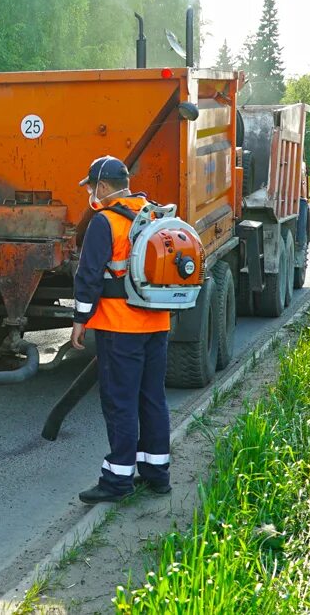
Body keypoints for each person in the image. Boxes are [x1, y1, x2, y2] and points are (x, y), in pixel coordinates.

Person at [70, 156, 174, 504]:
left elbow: (88, 275)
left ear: (101, 187)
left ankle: (117, 480)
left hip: (119, 325)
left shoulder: (105, 221)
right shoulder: (155, 213)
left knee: (120, 402)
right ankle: (157, 473)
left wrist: (80, 320)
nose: (91, 194)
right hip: (157, 322)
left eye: (91, 188)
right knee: (152, 397)